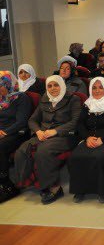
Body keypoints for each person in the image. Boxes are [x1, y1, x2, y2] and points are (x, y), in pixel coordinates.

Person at [13, 76, 81, 204]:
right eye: (49, 86)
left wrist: (55, 131)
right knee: (22, 150)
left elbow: (75, 121)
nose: (53, 88)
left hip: (65, 136)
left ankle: (55, 187)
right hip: (43, 134)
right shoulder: (44, 99)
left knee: (43, 151)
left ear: (62, 85)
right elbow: (32, 120)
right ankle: (29, 181)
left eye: (56, 85)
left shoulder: (73, 99)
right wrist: (38, 131)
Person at [68, 77, 104, 203]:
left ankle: (103, 191)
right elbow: (80, 125)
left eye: (100, 87)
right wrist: (87, 137)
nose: (97, 90)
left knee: (100, 156)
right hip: (90, 138)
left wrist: (103, 139)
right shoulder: (87, 104)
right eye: (94, 88)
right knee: (76, 156)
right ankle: (80, 190)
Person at [0, 72, 32, 203]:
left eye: (2, 85)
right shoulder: (1, 100)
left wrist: (4, 132)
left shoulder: (21, 98)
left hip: (17, 133)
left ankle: (7, 185)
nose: (0, 88)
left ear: (9, 84)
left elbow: (22, 122)